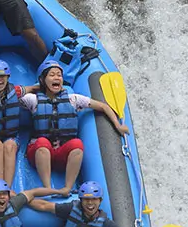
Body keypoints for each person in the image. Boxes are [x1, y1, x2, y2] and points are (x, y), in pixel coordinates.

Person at [21, 60, 129, 195]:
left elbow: (103, 106)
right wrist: (32, 88)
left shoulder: (73, 99)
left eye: (59, 75)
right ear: (43, 80)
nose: (56, 78)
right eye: (52, 75)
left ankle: (67, 188)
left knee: (77, 144)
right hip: (39, 154)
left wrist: (118, 125)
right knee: (42, 142)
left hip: (61, 154)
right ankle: (47, 187)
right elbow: (13, 97)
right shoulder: (33, 100)